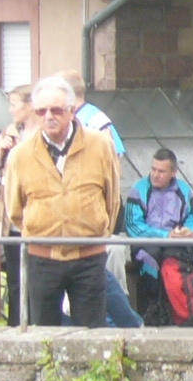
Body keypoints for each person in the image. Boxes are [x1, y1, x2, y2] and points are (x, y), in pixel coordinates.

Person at [4, 76, 123, 327]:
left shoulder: (100, 145)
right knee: (43, 334)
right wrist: (39, 228)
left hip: (89, 257)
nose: (48, 116)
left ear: (71, 110)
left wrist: (95, 230)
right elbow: (14, 208)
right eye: (41, 111)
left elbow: (112, 199)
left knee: (91, 334)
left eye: (56, 110)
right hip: (42, 258)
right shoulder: (20, 155)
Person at [57, 70, 142, 328]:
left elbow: (114, 165)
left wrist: (102, 206)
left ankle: (124, 322)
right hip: (73, 208)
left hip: (90, 207)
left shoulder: (95, 121)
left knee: (95, 268)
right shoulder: (74, 120)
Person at [123, 148, 193, 284]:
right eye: (153, 169)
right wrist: (166, 235)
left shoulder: (184, 190)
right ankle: (152, 297)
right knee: (149, 258)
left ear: (173, 172)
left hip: (178, 243)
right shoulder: (139, 190)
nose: (155, 175)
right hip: (148, 243)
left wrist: (191, 232)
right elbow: (133, 226)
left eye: (161, 171)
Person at [0, 85, 35, 322]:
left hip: (36, 218)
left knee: (35, 278)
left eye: (14, 104)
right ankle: (15, 324)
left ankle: (37, 324)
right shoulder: (10, 132)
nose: (10, 110)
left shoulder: (43, 134)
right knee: (15, 277)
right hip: (10, 216)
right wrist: (0, 152)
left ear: (30, 105)